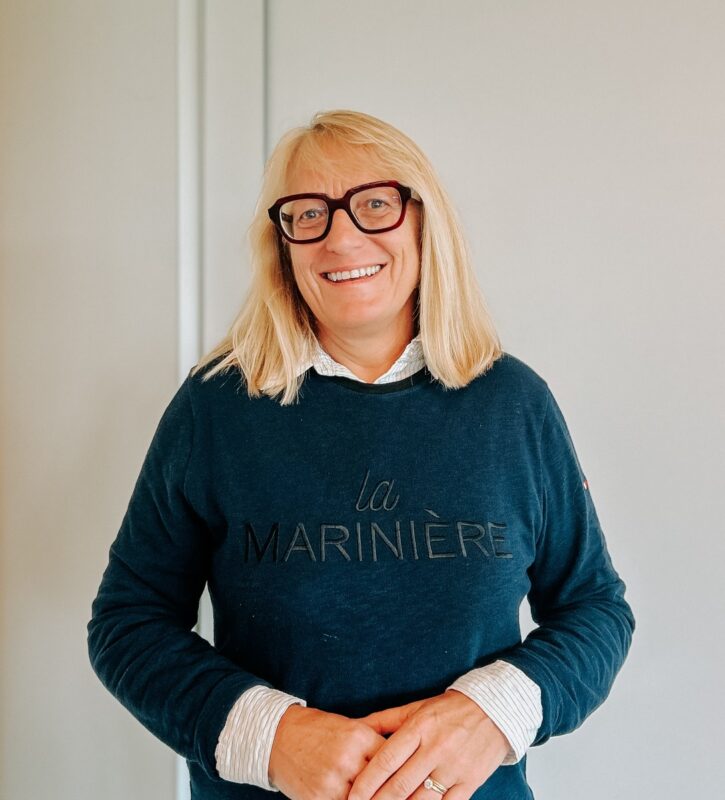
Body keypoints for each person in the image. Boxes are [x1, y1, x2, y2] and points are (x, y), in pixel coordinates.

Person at [88, 109, 634, 800]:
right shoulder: (216, 407)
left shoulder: (514, 404)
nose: (341, 238)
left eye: (375, 204)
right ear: (282, 243)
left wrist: (492, 714)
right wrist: (272, 737)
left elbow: (594, 609)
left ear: (423, 222)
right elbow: (128, 623)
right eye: (309, 213)